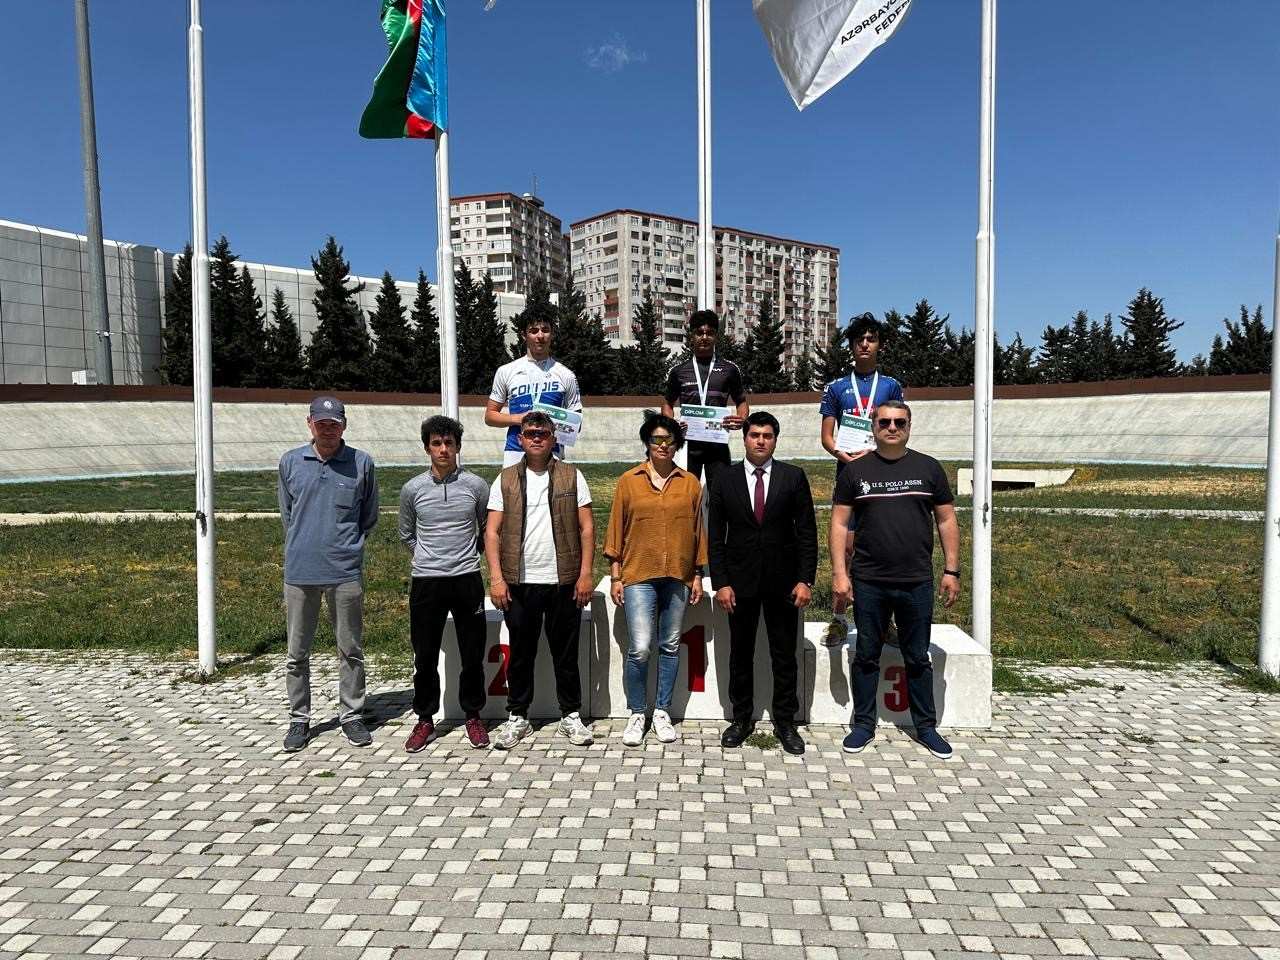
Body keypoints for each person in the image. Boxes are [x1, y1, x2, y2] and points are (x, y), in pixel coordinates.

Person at [830, 400, 961, 760]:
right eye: (884, 422)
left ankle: (926, 728)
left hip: (916, 581)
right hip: (869, 580)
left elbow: (946, 520)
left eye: (899, 422)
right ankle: (863, 725)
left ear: (909, 426)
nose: (891, 428)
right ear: (873, 426)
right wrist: (840, 573)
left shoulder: (928, 468)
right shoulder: (855, 472)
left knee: (917, 656)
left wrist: (951, 570)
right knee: (867, 655)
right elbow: (839, 524)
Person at [707, 412, 818, 756]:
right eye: (754, 434)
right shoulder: (724, 479)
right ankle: (741, 719)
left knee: (784, 655)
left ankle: (786, 721)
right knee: (740, 654)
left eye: (767, 435)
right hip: (739, 584)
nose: (760, 441)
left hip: (784, 584)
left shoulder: (793, 477)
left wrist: (805, 579)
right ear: (744, 438)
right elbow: (715, 536)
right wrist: (721, 582)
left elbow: (807, 533)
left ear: (775, 440)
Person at [484, 411, 596, 749]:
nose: (536, 438)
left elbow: (587, 528)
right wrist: (496, 578)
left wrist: (585, 574)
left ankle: (570, 715)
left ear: (553, 438)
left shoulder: (572, 476)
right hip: (519, 582)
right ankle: (518, 716)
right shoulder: (505, 479)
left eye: (542, 433)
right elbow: (492, 532)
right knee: (520, 654)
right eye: (530, 433)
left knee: (566, 654)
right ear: (520, 439)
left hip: (564, 580)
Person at [277, 396, 378, 752]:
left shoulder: (361, 463)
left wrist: (348, 547)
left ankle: (351, 715)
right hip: (300, 570)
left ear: (344, 425)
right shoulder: (291, 462)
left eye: (334, 424)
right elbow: (287, 514)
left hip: (344, 570)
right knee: (296, 652)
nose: (328, 429)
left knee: (350, 649)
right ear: (310, 424)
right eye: (321, 423)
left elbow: (368, 516)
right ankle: (299, 719)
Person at [604, 413, 707, 747]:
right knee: (640, 648)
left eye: (669, 440)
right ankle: (637, 712)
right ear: (647, 444)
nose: (663, 445)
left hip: (678, 574)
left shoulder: (690, 483)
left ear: (677, 445)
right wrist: (616, 575)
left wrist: (698, 574)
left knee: (670, 645)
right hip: (638, 574)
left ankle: (662, 711)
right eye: (656, 440)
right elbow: (616, 527)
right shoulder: (628, 481)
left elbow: (698, 531)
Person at [398, 415, 493, 752]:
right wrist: (428, 558)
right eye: (436, 443)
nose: (443, 449)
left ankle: (473, 716)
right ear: (427, 448)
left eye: (449, 443)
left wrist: (466, 554)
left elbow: (486, 529)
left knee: (472, 654)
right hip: (427, 581)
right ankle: (425, 719)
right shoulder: (412, 489)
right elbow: (407, 534)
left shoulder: (476, 486)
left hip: (467, 579)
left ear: (457, 447)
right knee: (424, 656)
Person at [819, 313, 906, 647]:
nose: (865, 345)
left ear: (879, 345)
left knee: (886, 548)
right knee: (846, 549)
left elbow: (896, 428)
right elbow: (827, 437)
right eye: (859, 340)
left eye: (871, 339)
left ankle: (886, 622)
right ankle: (839, 618)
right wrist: (846, 457)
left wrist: (878, 454)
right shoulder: (836, 387)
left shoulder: (891, 385)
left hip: (883, 477)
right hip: (849, 476)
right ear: (852, 346)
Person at [660, 309, 748, 488]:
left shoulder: (729, 369)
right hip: (688, 445)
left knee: (720, 494)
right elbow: (667, 404)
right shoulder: (678, 371)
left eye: (710, 333)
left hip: (717, 444)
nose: (705, 337)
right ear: (692, 335)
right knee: (687, 494)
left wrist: (742, 419)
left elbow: (741, 402)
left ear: (716, 336)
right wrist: (672, 424)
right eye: (700, 332)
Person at [486, 314, 582, 468]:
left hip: (552, 452)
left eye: (545, 330)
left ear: (552, 334)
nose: (540, 336)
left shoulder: (566, 375)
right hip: (515, 452)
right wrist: (520, 419)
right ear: (524, 335)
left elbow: (577, 424)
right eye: (534, 331)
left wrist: (552, 422)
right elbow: (490, 416)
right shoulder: (506, 371)